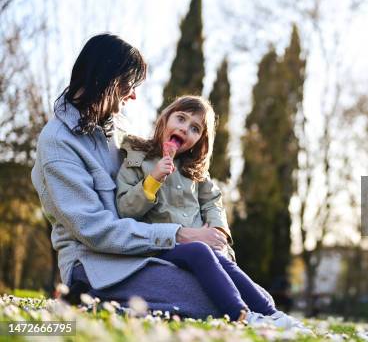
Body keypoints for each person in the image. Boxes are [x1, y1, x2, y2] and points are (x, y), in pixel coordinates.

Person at [30, 34, 267, 319]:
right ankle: (89, 296)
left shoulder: (119, 137)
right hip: (96, 264)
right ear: (106, 80)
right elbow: (95, 230)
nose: (133, 96)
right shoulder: (58, 142)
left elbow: (201, 190)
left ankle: (264, 312)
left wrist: (213, 230)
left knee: (242, 291)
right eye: (129, 86)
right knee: (209, 300)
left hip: (138, 254)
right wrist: (180, 235)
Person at [115, 95, 309, 331]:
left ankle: (272, 314)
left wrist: (217, 231)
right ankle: (240, 315)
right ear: (165, 119)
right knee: (199, 250)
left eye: (194, 128)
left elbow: (212, 201)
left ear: (200, 140)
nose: (185, 129)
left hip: (201, 246)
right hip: (159, 245)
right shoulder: (137, 158)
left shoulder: (194, 171)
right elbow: (125, 210)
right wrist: (152, 180)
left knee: (216, 257)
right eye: (181, 119)